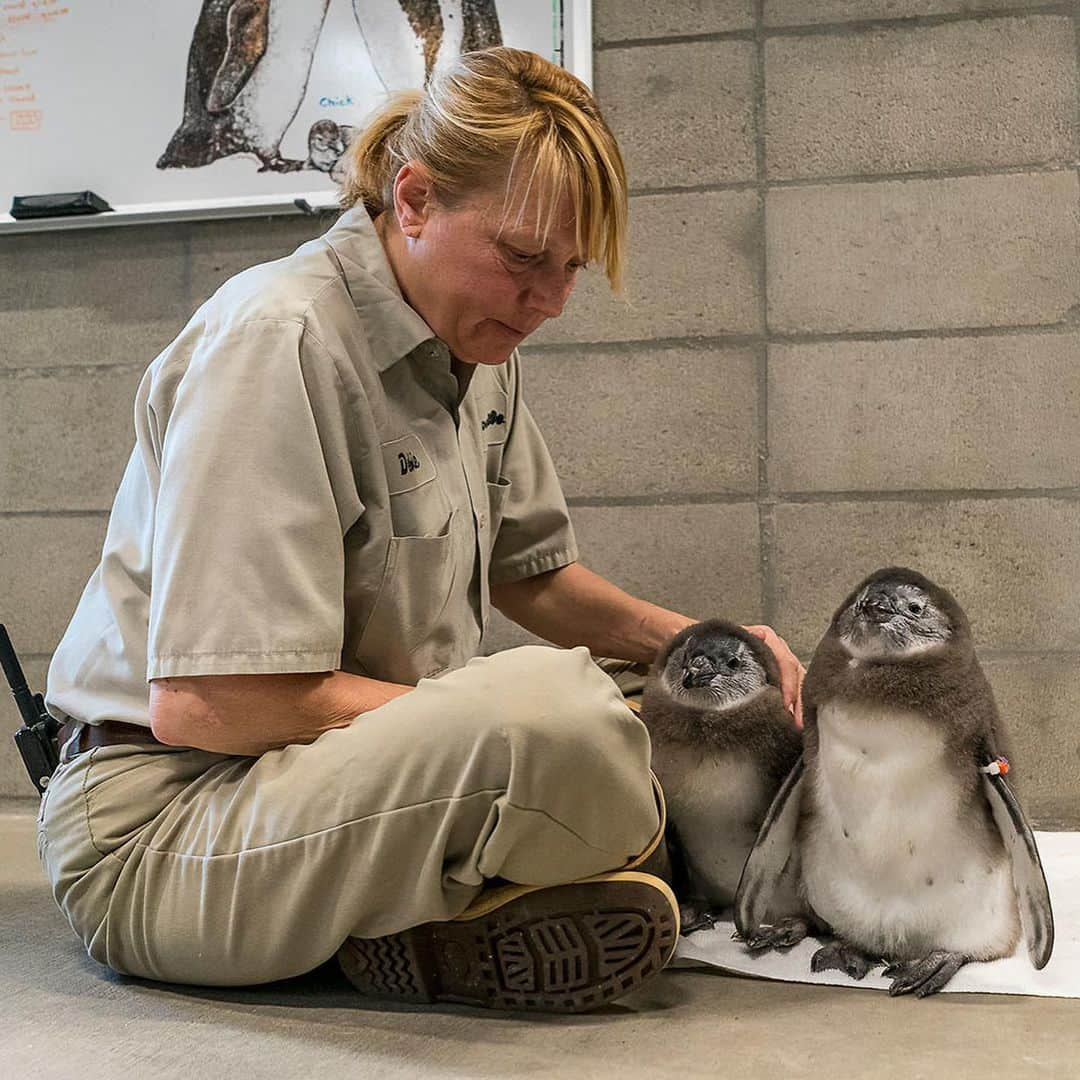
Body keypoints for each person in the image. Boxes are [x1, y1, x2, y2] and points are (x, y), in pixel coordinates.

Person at [37, 47, 803, 1013]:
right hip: (171, 828)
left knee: (681, 695)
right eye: (525, 257)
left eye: (571, 268)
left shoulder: (472, 337)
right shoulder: (278, 340)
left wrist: (707, 647)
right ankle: (481, 900)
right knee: (563, 720)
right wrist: (488, 727)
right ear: (413, 199)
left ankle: (493, 891)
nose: (551, 300)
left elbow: (536, 578)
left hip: (323, 776)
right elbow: (212, 705)